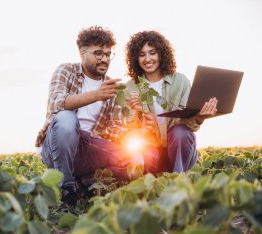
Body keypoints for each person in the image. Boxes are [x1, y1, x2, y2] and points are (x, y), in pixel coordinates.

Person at [35, 26, 133, 206]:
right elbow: (57, 102)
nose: (104, 59)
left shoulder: (113, 88)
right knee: (66, 118)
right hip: (58, 147)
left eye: (108, 54)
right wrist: (97, 95)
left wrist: (135, 116)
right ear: (82, 53)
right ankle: (67, 187)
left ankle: (87, 182)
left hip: (90, 147)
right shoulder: (66, 71)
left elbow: (116, 129)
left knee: (136, 156)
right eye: (98, 53)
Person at [124, 31, 218, 174]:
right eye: (142, 54)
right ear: (135, 59)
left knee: (180, 132)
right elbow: (130, 130)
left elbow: (188, 125)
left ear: (161, 53)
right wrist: (135, 111)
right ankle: (148, 181)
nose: (147, 59)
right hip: (150, 153)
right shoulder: (130, 87)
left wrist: (200, 117)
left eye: (152, 53)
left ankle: (178, 180)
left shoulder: (180, 82)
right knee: (142, 144)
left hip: (179, 154)